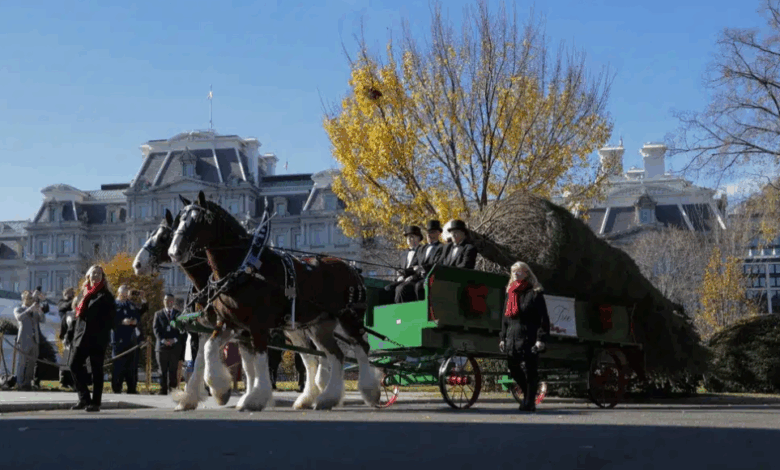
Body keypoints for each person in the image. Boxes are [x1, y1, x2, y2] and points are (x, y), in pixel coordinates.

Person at [499, 261, 550, 412]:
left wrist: (541, 339)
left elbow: (543, 318)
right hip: (512, 337)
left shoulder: (535, 293)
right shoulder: (510, 293)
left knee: (530, 370)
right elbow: (505, 319)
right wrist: (502, 338)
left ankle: (529, 402)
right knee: (513, 368)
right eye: (514, 272)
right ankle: (528, 394)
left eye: (519, 271)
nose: (516, 274)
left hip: (529, 336)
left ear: (527, 273)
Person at [69, 265, 116, 412]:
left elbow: (111, 319)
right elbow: (77, 316)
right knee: (73, 365)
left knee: (97, 371)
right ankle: (84, 399)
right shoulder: (84, 294)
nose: (96, 275)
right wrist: (71, 334)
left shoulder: (106, 296)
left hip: (97, 338)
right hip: (81, 337)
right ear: (88, 276)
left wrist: (101, 332)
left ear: (103, 277)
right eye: (93, 273)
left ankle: (95, 403)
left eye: (99, 273)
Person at [110, 285, 147, 394]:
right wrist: (122, 322)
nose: (125, 295)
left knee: (132, 366)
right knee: (118, 365)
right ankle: (117, 388)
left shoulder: (130, 304)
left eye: (127, 292)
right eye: (123, 292)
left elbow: (140, 312)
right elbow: (109, 320)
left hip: (131, 340)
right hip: (118, 339)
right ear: (118, 293)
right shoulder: (114, 304)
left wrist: (143, 299)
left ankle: (132, 388)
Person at [13, 290, 46, 391]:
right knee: (22, 362)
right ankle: (19, 383)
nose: (32, 300)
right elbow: (19, 318)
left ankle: (27, 384)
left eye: (32, 299)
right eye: (29, 299)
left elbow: (43, 320)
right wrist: (29, 309)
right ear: (24, 299)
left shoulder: (34, 311)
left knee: (31, 363)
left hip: (34, 340)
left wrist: (39, 310)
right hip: (24, 339)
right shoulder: (18, 308)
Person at [153, 294, 183, 395]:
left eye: (170, 300)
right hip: (161, 347)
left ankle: (173, 390)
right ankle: (163, 389)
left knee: (173, 369)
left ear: (173, 302)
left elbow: (181, 329)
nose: (167, 302)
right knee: (162, 369)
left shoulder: (178, 314)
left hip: (174, 346)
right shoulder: (158, 314)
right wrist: (163, 340)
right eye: (165, 300)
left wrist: (174, 340)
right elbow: (156, 329)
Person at [413, 220, 446, 300]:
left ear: (438, 233)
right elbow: (414, 264)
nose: (428, 235)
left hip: (432, 277)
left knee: (419, 286)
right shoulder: (421, 248)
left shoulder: (442, 247)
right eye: (427, 232)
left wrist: (423, 268)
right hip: (417, 277)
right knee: (401, 287)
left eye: (432, 232)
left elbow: (437, 264)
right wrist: (405, 273)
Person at [394, 225, 424, 303]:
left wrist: (413, 276)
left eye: (411, 237)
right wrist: (399, 276)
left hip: (415, 281)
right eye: (407, 237)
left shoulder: (422, 251)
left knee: (401, 289)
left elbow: (422, 268)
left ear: (418, 238)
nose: (408, 239)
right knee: (387, 289)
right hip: (402, 281)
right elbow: (399, 268)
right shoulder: (403, 254)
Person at [57, 287, 76, 388]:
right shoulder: (61, 302)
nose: (71, 295)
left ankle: (71, 380)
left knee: (72, 358)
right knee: (66, 357)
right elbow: (64, 306)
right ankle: (63, 380)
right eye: (69, 293)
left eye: (72, 293)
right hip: (66, 333)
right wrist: (74, 300)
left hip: (74, 333)